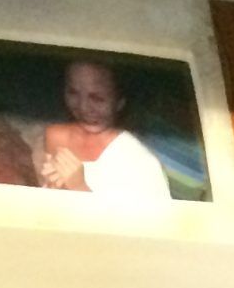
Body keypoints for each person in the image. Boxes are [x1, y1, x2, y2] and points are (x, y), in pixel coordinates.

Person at [33, 58, 172, 208]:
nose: (83, 107)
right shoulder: (55, 135)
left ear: (120, 101)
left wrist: (80, 188)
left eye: (97, 99)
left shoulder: (141, 162)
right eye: (73, 93)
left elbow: (150, 226)